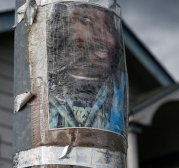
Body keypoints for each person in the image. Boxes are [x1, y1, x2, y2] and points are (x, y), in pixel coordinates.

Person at [47, 3, 126, 134]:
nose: (102, 36)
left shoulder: (116, 94)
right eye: (86, 20)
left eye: (108, 27)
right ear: (60, 26)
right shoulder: (44, 90)